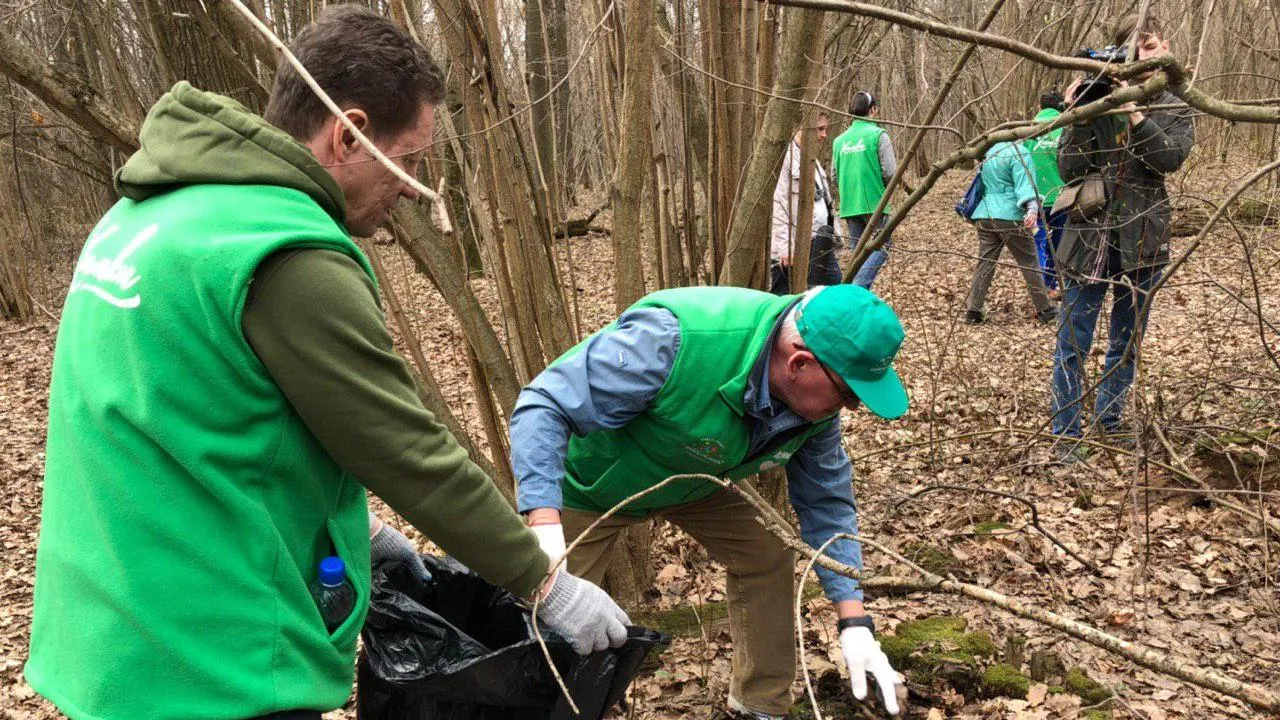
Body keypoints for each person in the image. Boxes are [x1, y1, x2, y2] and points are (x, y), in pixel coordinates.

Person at [25, 7, 628, 720]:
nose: (412, 187)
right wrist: (547, 584)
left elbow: (188, 408)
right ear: (348, 132)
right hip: (212, 660)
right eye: (408, 161)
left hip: (107, 629)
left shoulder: (149, 217)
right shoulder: (289, 256)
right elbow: (408, 451)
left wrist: (357, 532)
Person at [510, 284, 908, 719]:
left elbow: (826, 502)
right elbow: (543, 403)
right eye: (850, 395)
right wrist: (544, 525)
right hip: (586, 484)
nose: (851, 409)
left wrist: (854, 622)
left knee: (767, 551)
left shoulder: (815, 414)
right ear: (799, 362)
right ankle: (553, 709)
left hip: (696, 477)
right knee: (554, 614)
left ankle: (761, 706)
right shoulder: (676, 340)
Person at [1049, 11, 1195, 463]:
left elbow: (1170, 159)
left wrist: (1134, 113)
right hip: (1089, 237)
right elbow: (1069, 170)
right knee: (1073, 340)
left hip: (1144, 239)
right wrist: (1078, 116)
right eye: (1137, 48)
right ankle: (1068, 433)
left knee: (1126, 340)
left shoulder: (1175, 102)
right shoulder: (1099, 97)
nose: (1146, 56)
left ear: (1166, 47)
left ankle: (1109, 421)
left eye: (1152, 46)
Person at [963, 136, 1057, 325]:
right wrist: (1032, 208)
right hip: (1010, 216)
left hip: (986, 214)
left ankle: (973, 310)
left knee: (985, 262)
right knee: (1029, 261)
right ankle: (1044, 308)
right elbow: (1026, 185)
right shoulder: (1020, 153)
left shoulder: (990, 153)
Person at [831, 91, 899, 288]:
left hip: (850, 205)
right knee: (884, 246)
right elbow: (890, 172)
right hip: (875, 203)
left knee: (858, 254)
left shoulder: (839, 141)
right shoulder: (879, 135)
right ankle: (859, 287)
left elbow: (834, 176)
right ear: (873, 110)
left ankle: (857, 297)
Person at [771, 113, 840, 294]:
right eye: (820, 129)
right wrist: (786, 247)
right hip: (797, 247)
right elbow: (779, 202)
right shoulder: (786, 158)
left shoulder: (811, 159)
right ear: (801, 128)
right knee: (789, 303)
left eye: (825, 128)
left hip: (820, 242)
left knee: (836, 290)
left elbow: (824, 200)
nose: (824, 134)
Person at [1025, 91, 1068, 298]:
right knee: (1058, 244)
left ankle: (1040, 290)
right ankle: (1049, 284)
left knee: (1038, 242)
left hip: (1033, 199)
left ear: (1039, 107)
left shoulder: (1027, 129)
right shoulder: (1066, 127)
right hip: (1061, 197)